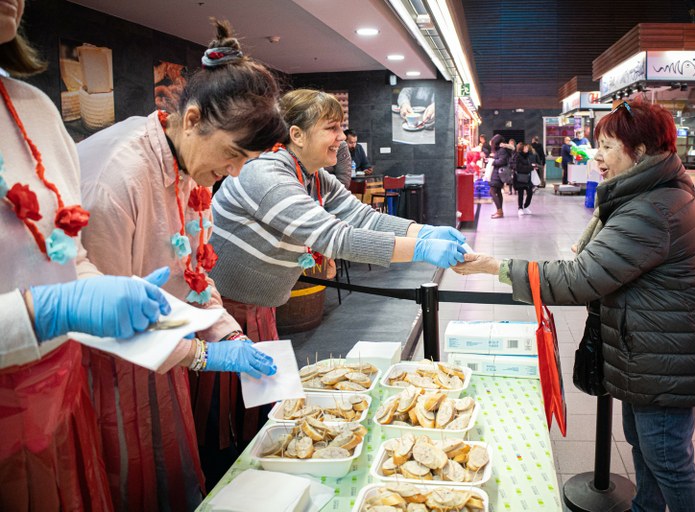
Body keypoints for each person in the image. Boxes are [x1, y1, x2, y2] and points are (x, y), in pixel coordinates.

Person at [454, 100, 695, 512]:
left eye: (607, 147)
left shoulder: (652, 208)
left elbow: (581, 278)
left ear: (640, 150)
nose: (595, 157)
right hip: (654, 344)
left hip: (669, 352)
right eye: (596, 146)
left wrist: (496, 266)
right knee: (645, 447)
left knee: (668, 460)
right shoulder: (650, 194)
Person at [77, 20, 285, 510]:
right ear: (192, 119)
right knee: (127, 479)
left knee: (171, 476)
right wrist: (200, 355)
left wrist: (226, 334)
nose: (234, 172)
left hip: (165, 351)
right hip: (108, 366)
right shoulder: (118, 178)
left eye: (247, 161)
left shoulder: (187, 163)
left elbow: (193, 271)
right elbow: (99, 314)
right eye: (233, 154)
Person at [0, 3, 172, 509]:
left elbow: (65, 251)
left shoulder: (33, 106)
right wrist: (47, 310)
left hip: (59, 389)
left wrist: (96, 285)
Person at [209, 89, 466, 322]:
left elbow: (364, 217)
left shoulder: (313, 176)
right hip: (220, 306)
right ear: (297, 135)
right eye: (332, 128)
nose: (342, 137)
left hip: (255, 305)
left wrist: (425, 232)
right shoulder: (267, 175)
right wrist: (421, 249)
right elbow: (337, 238)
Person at [488, 134, 511, 218]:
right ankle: (499, 211)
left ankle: (499, 211)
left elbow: (502, 161)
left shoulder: (502, 150)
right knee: (498, 192)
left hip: (498, 174)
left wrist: (492, 161)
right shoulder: (502, 150)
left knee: (492, 192)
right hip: (498, 174)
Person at [513, 144, 537, 216]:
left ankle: (526, 206)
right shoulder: (517, 156)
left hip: (527, 177)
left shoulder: (528, 156)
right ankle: (520, 208)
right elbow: (519, 168)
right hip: (520, 177)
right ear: (522, 149)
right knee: (520, 194)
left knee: (530, 192)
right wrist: (531, 168)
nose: (527, 149)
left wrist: (532, 166)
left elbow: (528, 165)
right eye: (525, 147)